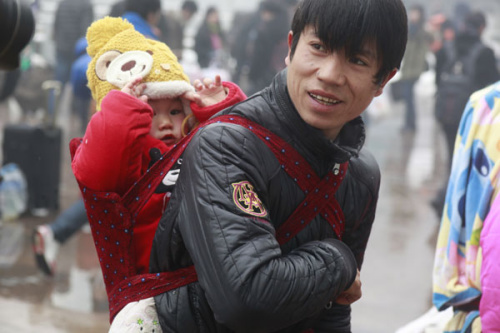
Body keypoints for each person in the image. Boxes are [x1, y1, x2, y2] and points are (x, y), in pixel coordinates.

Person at [148, 0, 407, 331]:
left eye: (357, 60)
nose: (329, 75)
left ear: (383, 80)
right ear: (290, 47)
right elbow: (247, 300)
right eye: (318, 47)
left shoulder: (361, 174)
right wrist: (338, 260)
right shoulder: (225, 146)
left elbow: (335, 309)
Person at [70, 16, 246, 330]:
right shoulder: (128, 161)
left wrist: (217, 105)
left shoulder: (193, 145)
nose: (166, 122)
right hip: (150, 294)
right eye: (151, 112)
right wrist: (122, 107)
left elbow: (242, 144)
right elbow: (95, 168)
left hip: (207, 281)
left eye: (176, 111)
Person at [431, 10, 500, 217]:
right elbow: (492, 88)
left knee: (454, 153)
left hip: (446, 112)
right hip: (472, 116)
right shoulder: (485, 52)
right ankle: (449, 199)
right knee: (469, 160)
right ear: (481, 28)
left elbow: (437, 79)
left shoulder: (447, 48)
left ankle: (446, 196)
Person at [397, 4, 432, 133]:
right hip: (407, 68)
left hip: (414, 70)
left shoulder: (421, 30)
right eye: (412, 13)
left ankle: (410, 124)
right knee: (408, 98)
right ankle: (410, 124)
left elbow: (424, 47)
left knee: (408, 97)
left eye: (415, 13)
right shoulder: (410, 28)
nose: (413, 15)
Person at [52, 0, 93, 86]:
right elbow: (86, 29)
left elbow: (56, 23)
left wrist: (56, 40)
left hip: (61, 46)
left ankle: (55, 98)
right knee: (75, 80)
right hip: (77, 49)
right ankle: (70, 98)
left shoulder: (63, 3)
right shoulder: (86, 4)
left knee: (59, 78)